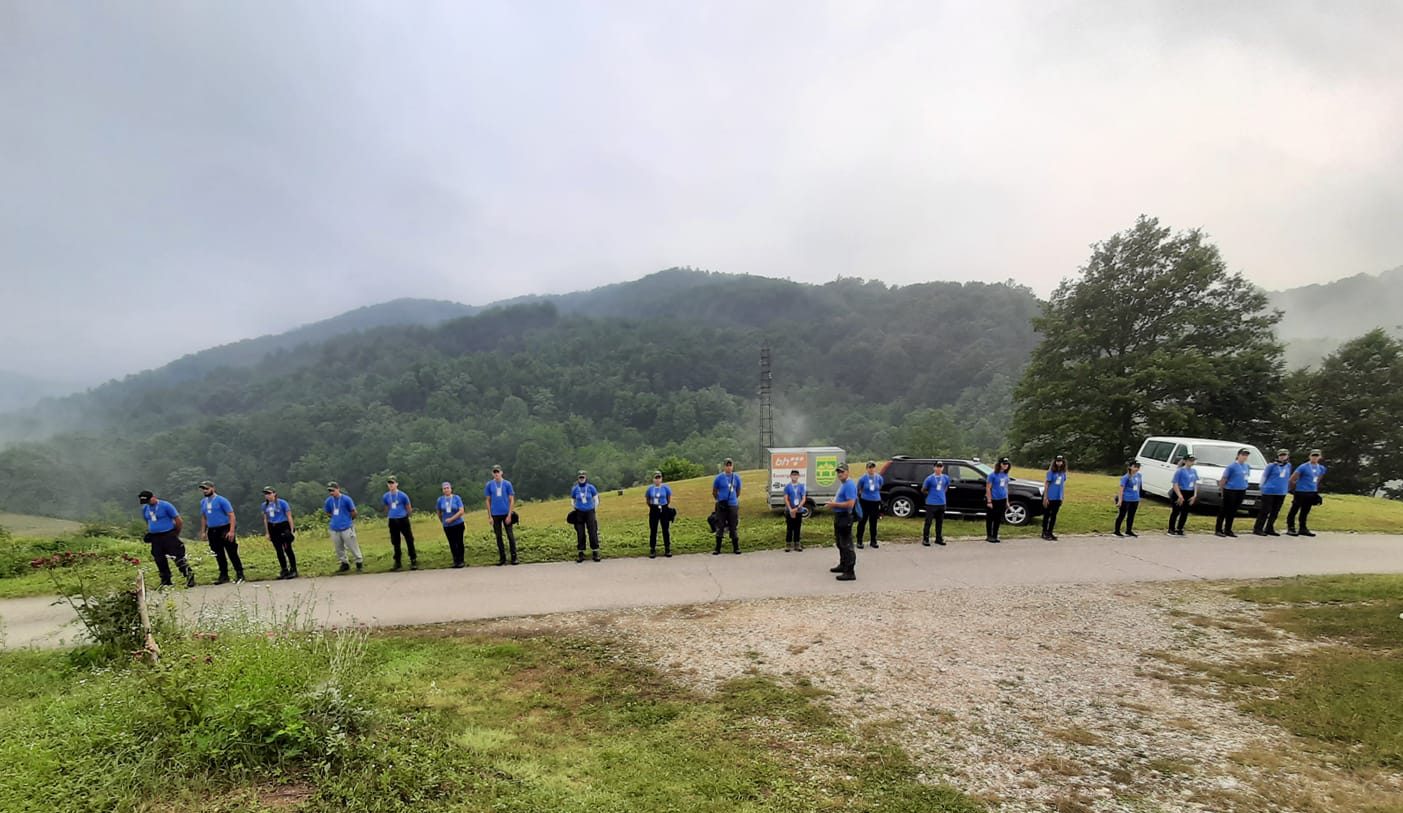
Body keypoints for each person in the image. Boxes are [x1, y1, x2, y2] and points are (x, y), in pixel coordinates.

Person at [138, 490, 195, 588]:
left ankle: (189, 576)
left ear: (153, 497)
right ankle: (165, 580)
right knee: (159, 559)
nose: (147, 503)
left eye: (148, 501)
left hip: (168, 534)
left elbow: (178, 520)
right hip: (155, 537)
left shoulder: (166, 506)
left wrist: (176, 533)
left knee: (177, 556)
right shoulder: (145, 508)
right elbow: (147, 521)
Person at [198, 480, 244, 584]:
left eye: (207, 488)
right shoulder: (203, 502)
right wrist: (203, 531)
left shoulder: (221, 500)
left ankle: (240, 573)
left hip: (224, 527)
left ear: (213, 488)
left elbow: (231, 515)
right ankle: (223, 575)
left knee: (232, 552)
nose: (205, 491)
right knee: (218, 553)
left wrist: (231, 530)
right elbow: (204, 517)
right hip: (212, 529)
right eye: (203, 489)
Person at [1286, 449, 1327, 537]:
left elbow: (1318, 480)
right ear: (1309, 456)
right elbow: (1292, 479)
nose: (1315, 458)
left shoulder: (1321, 468)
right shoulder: (1303, 467)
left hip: (1311, 492)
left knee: (1305, 511)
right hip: (1301, 491)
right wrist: (1293, 489)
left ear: (1320, 457)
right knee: (1294, 509)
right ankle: (1291, 527)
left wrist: (1315, 490)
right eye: (1313, 456)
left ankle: (1303, 528)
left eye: (1317, 456)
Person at [324, 481, 363, 572]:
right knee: (339, 547)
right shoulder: (329, 501)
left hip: (346, 526)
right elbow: (328, 512)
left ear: (338, 489)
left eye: (333, 490)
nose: (331, 493)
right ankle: (344, 563)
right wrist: (335, 518)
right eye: (330, 491)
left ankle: (359, 562)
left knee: (352, 545)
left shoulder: (346, 499)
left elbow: (353, 511)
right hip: (334, 527)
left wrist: (348, 520)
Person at [380, 476, 417, 571]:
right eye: (389, 484)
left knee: (409, 539)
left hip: (402, 518)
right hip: (392, 519)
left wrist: (408, 516)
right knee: (395, 541)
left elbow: (408, 506)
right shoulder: (386, 496)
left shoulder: (402, 495)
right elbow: (386, 506)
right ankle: (398, 562)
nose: (391, 485)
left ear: (396, 484)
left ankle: (413, 560)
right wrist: (387, 515)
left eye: (392, 483)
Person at [828, 463, 858, 581]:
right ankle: (843, 564)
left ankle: (850, 571)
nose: (840, 474)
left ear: (847, 472)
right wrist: (833, 502)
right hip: (839, 516)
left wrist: (834, 504)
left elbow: (850, 504)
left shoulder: (849, 485)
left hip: (845, 517)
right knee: (840, 542)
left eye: (842, 471)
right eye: (838, 472)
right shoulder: (843, 484)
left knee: (846, 544)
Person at [261, 486, 298, 579]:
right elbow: (265, 519)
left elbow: (289, 516)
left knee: (287, 549)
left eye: (269, 493)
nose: (268, 496)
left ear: (274, 493)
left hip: (283, 526)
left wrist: (292, 529)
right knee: (279, 550)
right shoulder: (264, 505)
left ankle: (293, 569)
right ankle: (284, 569)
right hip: (273, 527)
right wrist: (267, 532)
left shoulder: (282, 503)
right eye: (266, 494)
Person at [484, 465, 518, 565]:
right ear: (492, 474)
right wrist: (489, 516)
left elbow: (511, 499)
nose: (496, 474)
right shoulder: (489, 485)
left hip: (506, 513)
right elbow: (488, 500)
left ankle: (514, 557)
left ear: (501, 473)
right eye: (494, 472)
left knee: (510, 535)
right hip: (495, 514)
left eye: (498, 472)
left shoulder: (507, 484)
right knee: (498, 536)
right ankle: (502, 558)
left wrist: (509, 514)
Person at [1215, 449, 1252, 538]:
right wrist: (1222, 490)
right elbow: (1224, 479)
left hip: (1241, 490)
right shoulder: (1232, 466)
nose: (1244, 457)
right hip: (1230, 490)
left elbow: (1246, 477)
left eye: (1246, 455)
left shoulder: (1247, 466)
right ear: (1238, 455)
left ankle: (1228, 529)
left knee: (1233, 511)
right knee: (1224, 510)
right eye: (1243, 455)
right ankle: (1218, 529)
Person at [1254, 449, 1292, 536]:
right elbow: (1264, 477)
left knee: (1275, 511)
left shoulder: (1288, 465)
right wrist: (1261, 487)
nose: (1282, 457)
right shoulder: (1271, 466)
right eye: (1281, 455)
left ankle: (1269, 528)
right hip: (1269, 490)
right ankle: (1258, 528)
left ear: (1287, 456)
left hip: (1281, 491)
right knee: (1265, 510)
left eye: (1284, 455)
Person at [711, 458, 742, 555]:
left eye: (730, 465)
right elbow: (714, 491)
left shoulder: (736, 477)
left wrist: (733, 499)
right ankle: (718, 548)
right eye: (727, 465)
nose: (729, 467)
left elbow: (738, 491)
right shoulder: (719, 478)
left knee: (733, 526)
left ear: (732, 466)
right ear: (724, 466)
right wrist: (719, 499)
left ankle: (736, 547)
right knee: (720, 525)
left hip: (733, 504)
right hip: (722, 505)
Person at [571, 471, 601, 562]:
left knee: (592, 531)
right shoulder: (575, 489)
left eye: (583, 477)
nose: (581, 479)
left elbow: (596, 499)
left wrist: (594, 509)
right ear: (578, 479)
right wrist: (575, 507)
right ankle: (581, 553)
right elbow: (572, 499)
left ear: (586, 478)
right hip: (579, 512)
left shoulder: (591, 487)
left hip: (590, 512)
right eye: (580, 477)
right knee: (580, 533)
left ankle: (595, 552)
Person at [854, 461, 884, 549]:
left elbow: (880, 486)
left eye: (873, 467)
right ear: (867, 469)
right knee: (863, 521)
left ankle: (873, 540)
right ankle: (859, 540)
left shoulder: (879, 478)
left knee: (873, 522)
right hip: (865, 501)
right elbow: (859, 488)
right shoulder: (863, 478)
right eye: (870, 467)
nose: (871, 469)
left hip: (875, 501)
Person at [437, 482, 467, 567]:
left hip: (458, 524)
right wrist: (442, 521)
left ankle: (461, 560)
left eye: (448, 488)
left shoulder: (456, 498)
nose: (446, 490)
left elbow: (461, 511)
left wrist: (452, 519)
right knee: (452, 543)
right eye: (444, 488)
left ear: (451, 489)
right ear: (442, 490)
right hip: (447, 526)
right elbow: (439, 512)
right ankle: (455, 560)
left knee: (459, 542)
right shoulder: (440, 500)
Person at [1168, 454, 1199, 535]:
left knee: (1185, 512)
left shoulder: (1194, 471)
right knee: (1176, 511)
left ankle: (1180, 528)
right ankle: (1171, 528)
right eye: (1190, 460)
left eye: (1193, 461)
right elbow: (1175, 484)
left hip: (1189, 492)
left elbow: (1195, 483)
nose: (1191, 462)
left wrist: (1195, 495)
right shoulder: (1180, 471)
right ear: (1185, 461)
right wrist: (1179, 495)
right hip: (1180, 491)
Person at [921, 461, 950, 546]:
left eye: (940, 467)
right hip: (931, 503)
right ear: (934, 468)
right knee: (928, 522)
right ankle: (925, 538)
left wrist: (941, 495)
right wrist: (930, 494)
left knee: (939, 522)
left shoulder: (945, 478)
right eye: (937, 467)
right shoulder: (930, 478)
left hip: (941, 503)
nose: (939, 468)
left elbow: (946, 487)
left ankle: (939, 538)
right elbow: (923, 489)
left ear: (942, 468)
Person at [646, 470, 675, 558]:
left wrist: (664, 506)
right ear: (653, 479)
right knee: (653, 529)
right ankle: (652, 549)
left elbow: (668, 498)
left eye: (659, 478)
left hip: (664, 508)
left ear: (661, 479)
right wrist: (652, 506)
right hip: (654, 509)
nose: (657, 480)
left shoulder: (666, 488)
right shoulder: (650, 489)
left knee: (665, 529)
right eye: (656, 478)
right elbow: (647, 499)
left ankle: (667, 548)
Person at [985, 457, 1012, 543]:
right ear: (1000, 464)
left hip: (1002, 499)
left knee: (998, 518)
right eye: (1004, 464)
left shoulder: (1005, 475)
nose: (1005, 466)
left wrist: (1007, 501)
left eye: (1007, 464)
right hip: (994, 499)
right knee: (990, 518)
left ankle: (995, 535)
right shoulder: (992, 475)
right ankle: (989, 535)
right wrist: (989, 501)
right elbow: (988, 488)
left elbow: (1006, 488)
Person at [1042, 454, 1068, 541]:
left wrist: (1062, 496)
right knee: (1047, 515)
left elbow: (1062, 485)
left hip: (1058, 497)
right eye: (1057, 461)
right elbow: (1047, 484)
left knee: (1054, 516)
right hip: (1050, 496)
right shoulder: (1051, 472)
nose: (1059, 463)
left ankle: (1050, 532)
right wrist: (1045, 497)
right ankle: (1044, 532)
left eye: (1060, 461)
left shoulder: (1063, 473)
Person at [1113, 461, 1142, 538]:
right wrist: (1120, 500)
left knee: (1131, 515)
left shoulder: (1139, 475)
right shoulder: (1126, 477)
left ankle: (1129, 530)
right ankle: (1117, 530)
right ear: (1130, 467)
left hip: (1135, 498)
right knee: (1122, 515)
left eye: (1138, 467)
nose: (1136, 469)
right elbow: (1121, 489)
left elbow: (1138, 486)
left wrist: (1139, 497)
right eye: (1135, 467)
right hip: (1127, 498)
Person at [782, 469, 806, 552]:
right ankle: (788, 544)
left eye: (796, 475)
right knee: (789, 528)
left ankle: (797, 544)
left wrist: (799, 507)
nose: (794, 476)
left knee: (797, 527)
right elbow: (786, 499)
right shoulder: (787, 487)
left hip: (798, 510)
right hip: (790, 510)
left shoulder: (801, 486)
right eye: (793, 475)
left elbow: (803, 498)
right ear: (790, 476)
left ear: (798, 476)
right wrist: (790, 509)